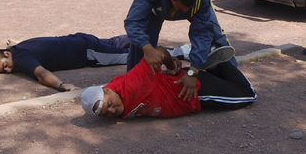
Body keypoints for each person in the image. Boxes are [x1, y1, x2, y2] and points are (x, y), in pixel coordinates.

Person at [124, 0, 238, 73]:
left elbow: (202, 31)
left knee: (215, 34)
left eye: (186, 10)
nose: (182, 12)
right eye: (179, 8)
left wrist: (193, 70)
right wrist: (147, 47)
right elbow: (133, 21)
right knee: (140, 44)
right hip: (158, 2)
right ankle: (133, 81)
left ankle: (236, 79)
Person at [80, 46, 256, 118]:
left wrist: (171, 64)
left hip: (194, 93)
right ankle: (207, 65)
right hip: (182, 84)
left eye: (110, 104)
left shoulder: (132, 83)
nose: (113, 110)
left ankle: (217, 61)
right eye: (107, 113)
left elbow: (158, 53)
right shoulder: (112, 95)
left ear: (108, 90)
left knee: (247, 95)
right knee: (228, 87)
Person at [0, 33, 132, 91]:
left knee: (129, 57)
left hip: (86, 52)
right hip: (80, 39)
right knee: (114, 43)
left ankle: (152, 50)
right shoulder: (18, 48)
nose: (8, 70)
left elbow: (41, 74)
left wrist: (61, 86)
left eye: (5, 66)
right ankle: (141, 34)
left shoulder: (20, 59)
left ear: (7, 53)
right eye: (4, 71)